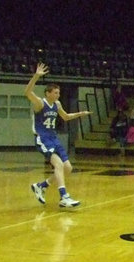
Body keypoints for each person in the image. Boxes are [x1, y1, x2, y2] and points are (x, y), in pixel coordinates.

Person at [27, 63, 92, 208]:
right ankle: (64, 197)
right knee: (58, 164)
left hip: (54, 138)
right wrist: (36, 76)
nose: (58, 95)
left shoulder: (57, 104)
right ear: (47, 93)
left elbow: (66, 117)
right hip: (43, 138)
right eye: (55, 93)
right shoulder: (40, 104)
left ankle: (41, 186)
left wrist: (80, 114)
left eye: (59, 93)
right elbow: (28, 92)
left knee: (68, 168)